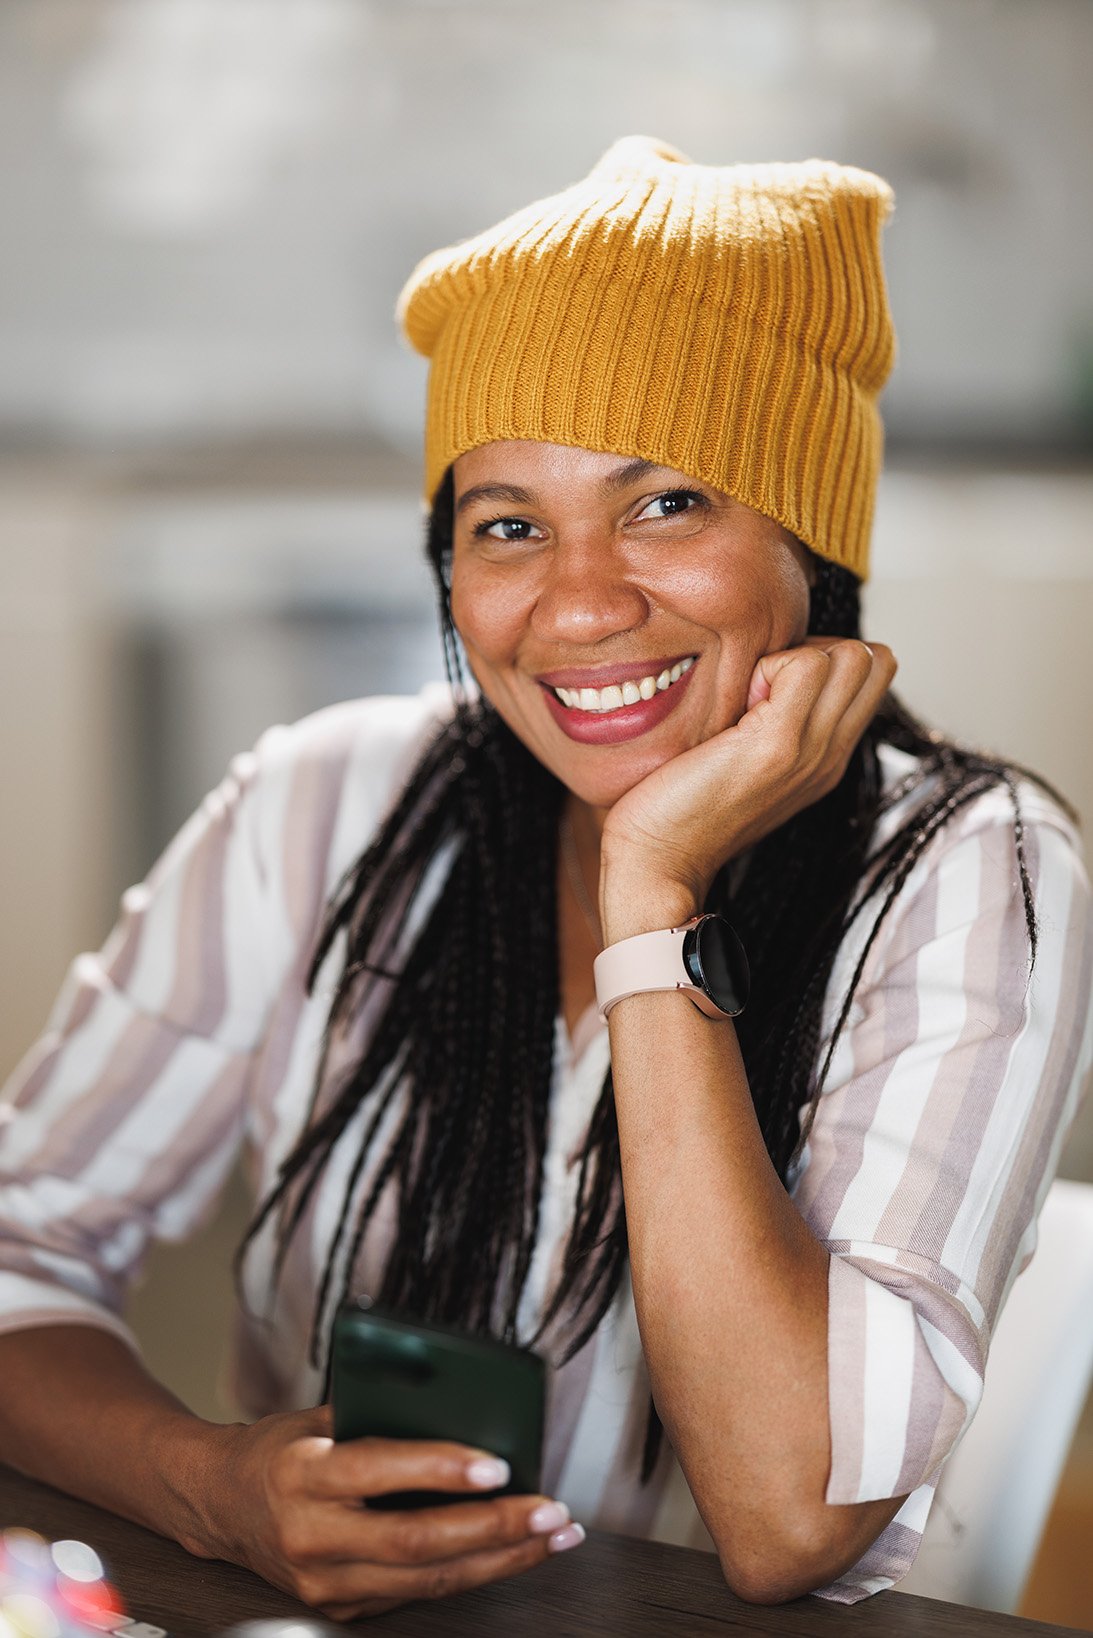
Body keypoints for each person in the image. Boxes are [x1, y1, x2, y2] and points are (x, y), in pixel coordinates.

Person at [0, 136, 1090, 1620]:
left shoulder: (974, 866)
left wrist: (653, 900)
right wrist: (210, 1483)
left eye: (667, 504)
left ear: (810, 539)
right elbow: (20, 1242)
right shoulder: (323, 802)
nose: (577, 602)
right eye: (507, 524)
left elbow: (785, 1520)